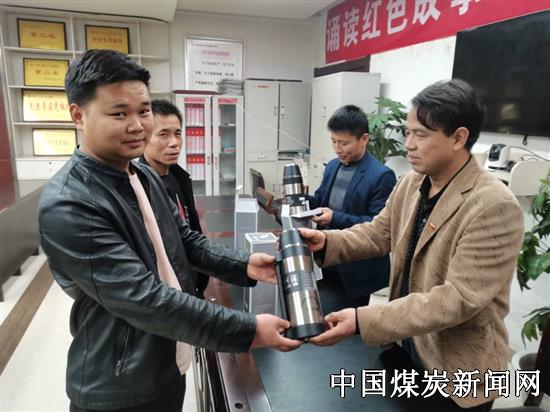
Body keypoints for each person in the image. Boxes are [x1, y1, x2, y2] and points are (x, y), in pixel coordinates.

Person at [38, 49, 301, 412]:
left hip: (165, 358)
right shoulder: (69, 203)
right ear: (78, 115)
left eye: (144, 111)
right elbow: (143, 299)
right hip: (119, 385)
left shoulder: (142, 175)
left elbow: (185, 241)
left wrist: (244, 265)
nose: (137, 125)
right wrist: (247, 330)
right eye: (119, 114)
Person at [300, 79, 524, 411]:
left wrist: (363, 320)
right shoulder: (412, 182)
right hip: (406, 346)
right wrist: (325, 242)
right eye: (407, 133)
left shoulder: (493, 205)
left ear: (458, 138)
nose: (409, 144)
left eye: (421, 134)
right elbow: (378, 233)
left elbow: (457, 299)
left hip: (455, 371)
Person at [306, 105, 396, 307]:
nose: (337, 148)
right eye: (333, 141)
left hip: (357, 270)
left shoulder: (381, 176)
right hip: (328, 259)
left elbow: (378, 226)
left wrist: (334, 217)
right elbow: (320, 199)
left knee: (348, 322)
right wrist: (301, 200)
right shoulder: (333, 166)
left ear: (364, 139)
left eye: (344, 143)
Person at [139, 99, 209, 298]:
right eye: (163, 134)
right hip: (168, 293)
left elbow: (189, 232)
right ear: (144, 137)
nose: (174, 143)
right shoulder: (138, 186)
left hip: (192, 281)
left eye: (177, 133)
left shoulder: (178, 176)